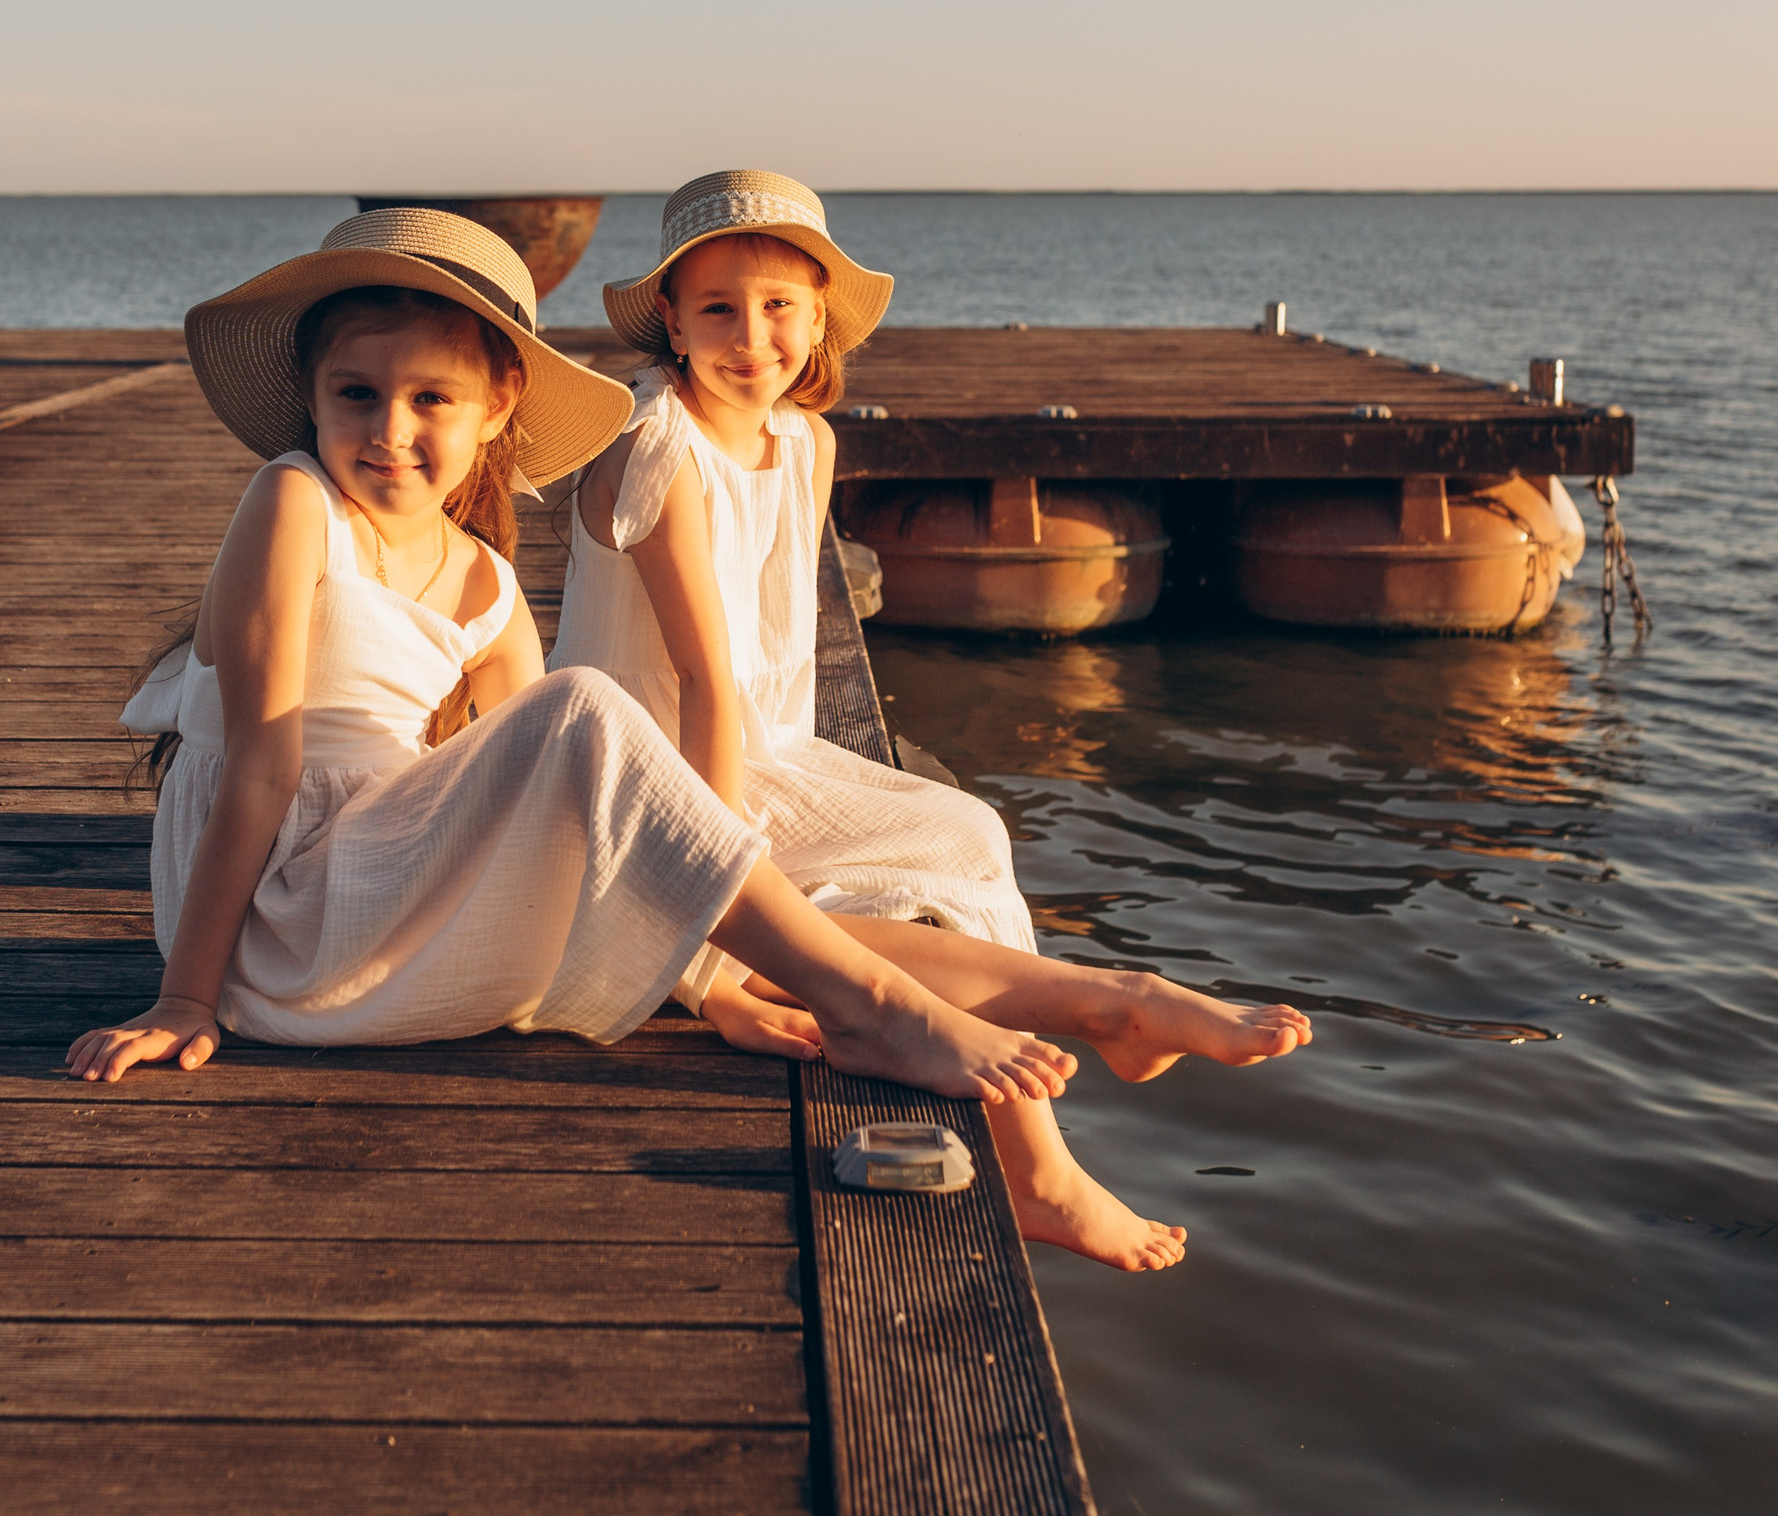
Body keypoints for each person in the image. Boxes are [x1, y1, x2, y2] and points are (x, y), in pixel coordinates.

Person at [69, 206, 1072, 1116]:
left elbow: (547, 814)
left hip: (389, 904)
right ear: (310, 394)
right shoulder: (295, 504)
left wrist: (710, 987)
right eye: (356, 394)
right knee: (584, 705)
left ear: (498, 404)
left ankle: (1057, 1007)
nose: (389, 430)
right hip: (278, 922)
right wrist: (189, 995)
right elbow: (259, 764)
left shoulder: (488, 586)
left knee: (606, 753)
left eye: (431, 398)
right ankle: (874, 1002)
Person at [550, 171, 1312, 1269]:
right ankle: (1081, 1071)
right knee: (824, 896)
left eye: (778, 308)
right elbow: (707, 684)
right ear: (669, 317)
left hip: (757, 752)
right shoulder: (659, 446)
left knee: (967, 833)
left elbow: (770, 672)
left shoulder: (802, 442)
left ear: (817, 320)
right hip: (648, 780)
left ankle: (1082, 1072)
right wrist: (711, 913)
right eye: (716, 307)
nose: (750, 337)